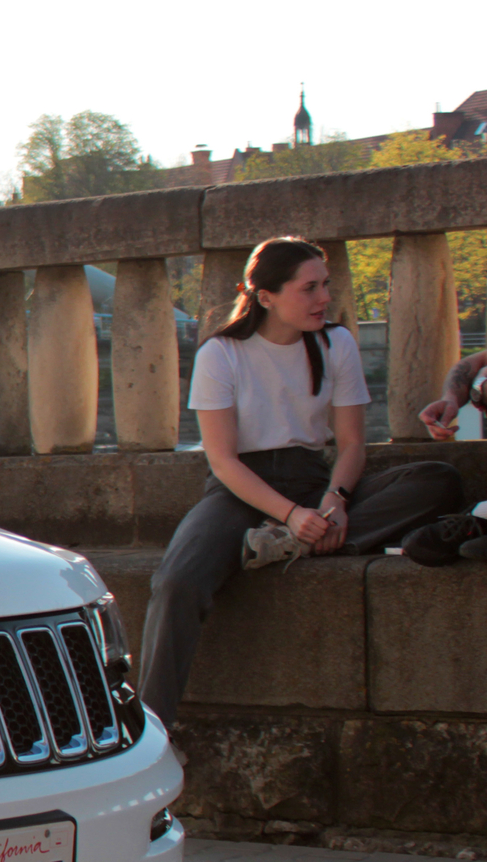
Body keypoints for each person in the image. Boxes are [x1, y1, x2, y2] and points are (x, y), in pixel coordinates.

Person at [138, 237, 463, 722]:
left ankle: (286, 544)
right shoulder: (221, 354)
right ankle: (151, 732)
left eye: (325, 285)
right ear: (266, 296)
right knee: (176, 583)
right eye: (309, 288)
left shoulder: (337, 343)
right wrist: (291, 515)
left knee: (438, 479)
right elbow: (224, 461)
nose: (324, 298)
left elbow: (353, 444)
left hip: (314, 482)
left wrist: (335, 499)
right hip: (242, 492)